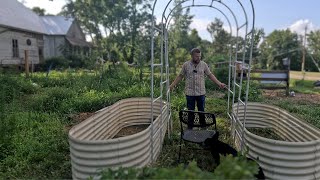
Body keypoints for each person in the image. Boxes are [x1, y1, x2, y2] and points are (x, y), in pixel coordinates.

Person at [170, 48, 226, 128]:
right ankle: (190, 128)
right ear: (192, 56)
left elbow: (210, 75)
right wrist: (172, 85)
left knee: (201, 111)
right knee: (190, 111)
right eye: (196, 56)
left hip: (201, 92)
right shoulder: (186, 65)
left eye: (200, 56)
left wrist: (219, 83)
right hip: (190, 92)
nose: (199, 58)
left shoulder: (204, 64)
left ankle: (203, 127)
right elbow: (180, 76)